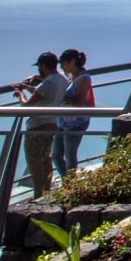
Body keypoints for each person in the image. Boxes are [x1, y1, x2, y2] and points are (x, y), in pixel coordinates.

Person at [13, 52, 69, 197]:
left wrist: (20, 93)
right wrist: (30, 86)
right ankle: (46, 192)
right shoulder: (62, 79)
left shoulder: (48, 84)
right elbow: (42, 92)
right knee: (46, 160)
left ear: (43, 66)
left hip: (37, 126)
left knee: (35, 163)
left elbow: (27, 106)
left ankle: (38, 195)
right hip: (52, 124)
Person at [53, 49, 94, 178]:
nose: (62, 67)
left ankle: (69, 185)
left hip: (77, 122)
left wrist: (61, 97)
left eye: (64, 64)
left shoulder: (84, 78)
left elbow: (79, 102)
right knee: (56, 154)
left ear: (73, 62)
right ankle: (67, 182)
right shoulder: (70, 76)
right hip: (63, 121)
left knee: (70, 154)